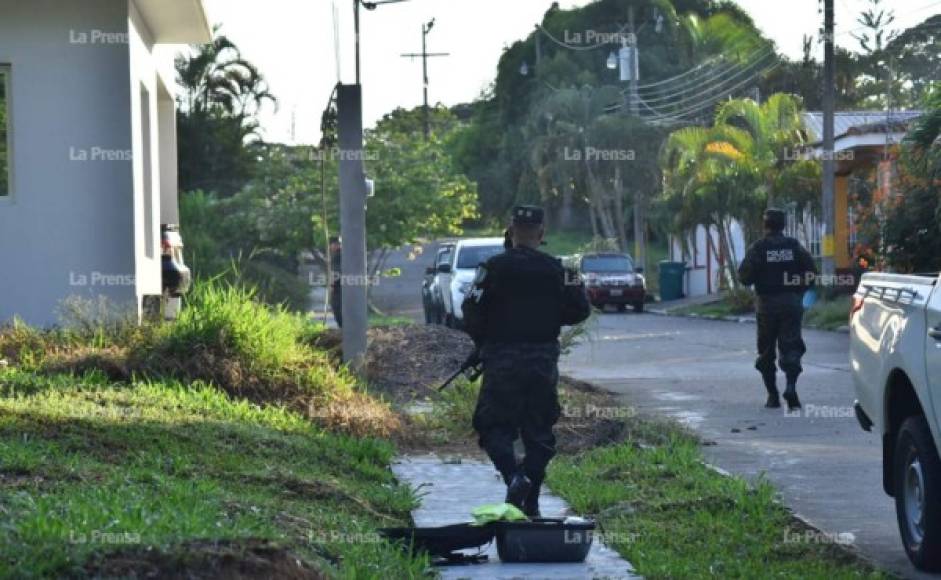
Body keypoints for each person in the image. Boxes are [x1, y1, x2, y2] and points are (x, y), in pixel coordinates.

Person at [461, 205, 591, 516]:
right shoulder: (563, 270)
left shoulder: (491, 268)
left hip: (502, 359)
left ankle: (514, 478)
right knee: (539, 433)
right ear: (542, 234)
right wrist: (549, 316)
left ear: (511, 230)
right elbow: (580, 310)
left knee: (492, 426)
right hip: (542, 360)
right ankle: (529, 500)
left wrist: (484, 341)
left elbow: (471, 310)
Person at [738, 208, 818, 411]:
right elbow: (811, 272)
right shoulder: (793, 246)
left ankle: (772, 395)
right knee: (791, 346)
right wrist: (798, 292)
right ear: (782, 225)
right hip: (791, 304)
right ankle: (791, 387)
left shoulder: (759, 248)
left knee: (766, 351)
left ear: (765, 226)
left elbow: (744, 276)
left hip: (766, 305)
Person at [328, 237, 343, 328]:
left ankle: (342, 328)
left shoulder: (337, 256)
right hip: (346, 286)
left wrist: (332, 285)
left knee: (336, 307)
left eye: (332, 245)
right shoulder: (343, 254)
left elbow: (335, 272)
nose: (330, 247)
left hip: (339, 287)